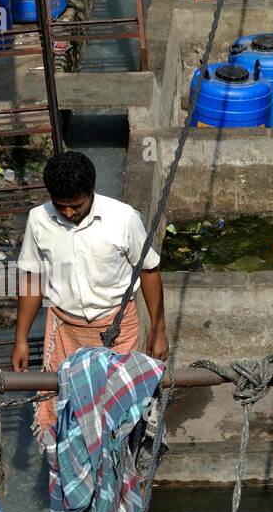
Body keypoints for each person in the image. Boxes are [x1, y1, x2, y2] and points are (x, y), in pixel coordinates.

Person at [12, 151, 169, 434]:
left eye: (76, 206)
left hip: (117, 331)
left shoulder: (124, 219)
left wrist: (158, 330)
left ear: (91, 192)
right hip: (64, 332)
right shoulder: (38, 220)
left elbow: (148, 271)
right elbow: (32, 279)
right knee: (68, 417)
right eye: (61, 207)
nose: (70, 213)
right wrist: (21, 338)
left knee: (120, 416)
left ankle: (119, 472)